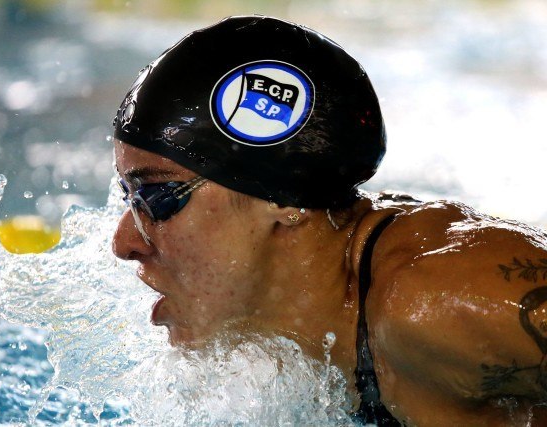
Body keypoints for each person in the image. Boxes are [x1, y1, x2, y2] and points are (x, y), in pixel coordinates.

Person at [110, 15, 547, 426]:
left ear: (283, 198)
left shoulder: (439, 299)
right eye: (127, 197)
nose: (125, 241)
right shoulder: (307, 348)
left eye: (156, 197)